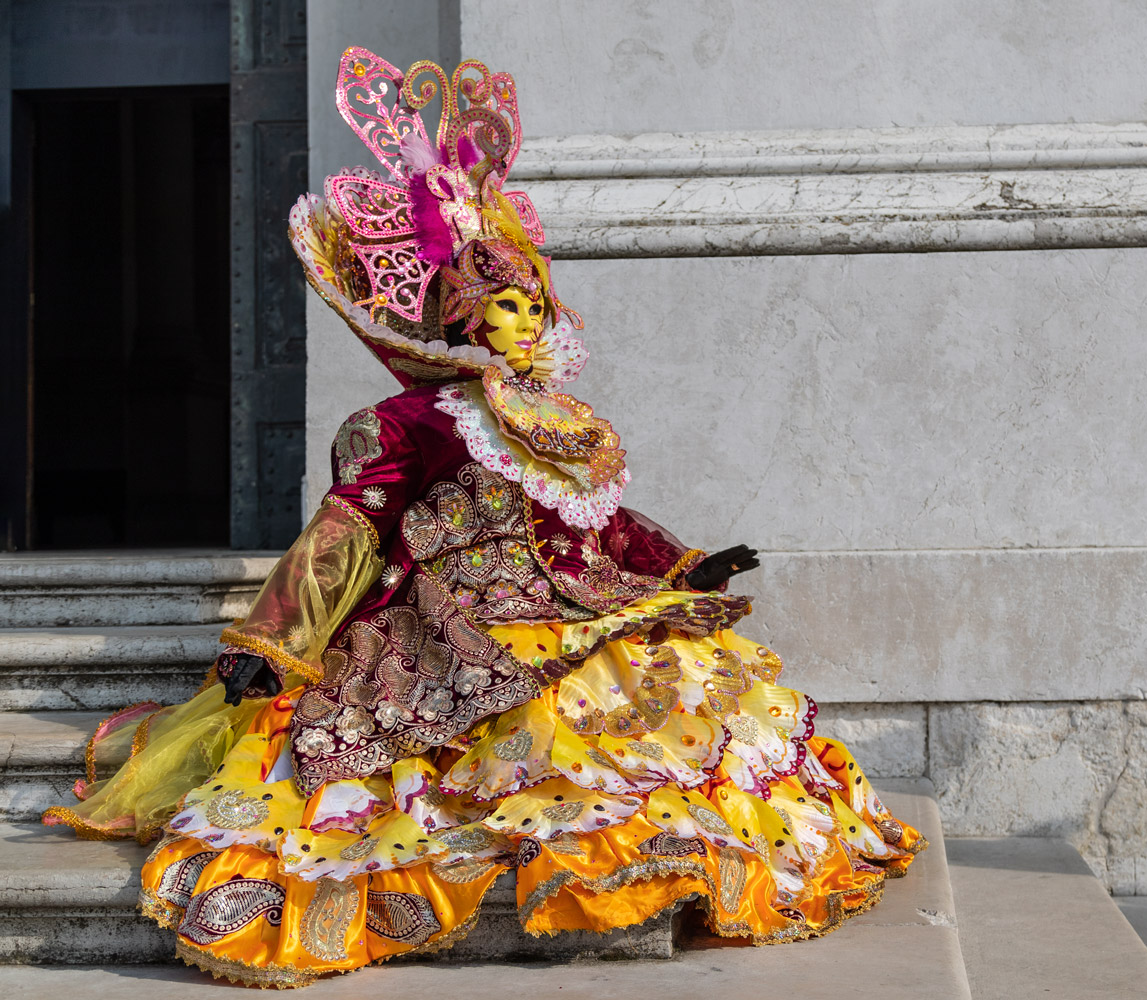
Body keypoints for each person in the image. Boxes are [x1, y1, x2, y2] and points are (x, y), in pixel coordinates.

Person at [43, 46, 922, 988]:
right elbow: (348, 529)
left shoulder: (566, 421)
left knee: (664, 692)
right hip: (447, 616)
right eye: (502, 306)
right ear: (464, 321)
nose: (523, 321)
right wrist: (276, 632)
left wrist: (683, 567)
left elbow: (595, 525)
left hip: (573, 599)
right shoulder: (407, 420)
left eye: (531, 303)